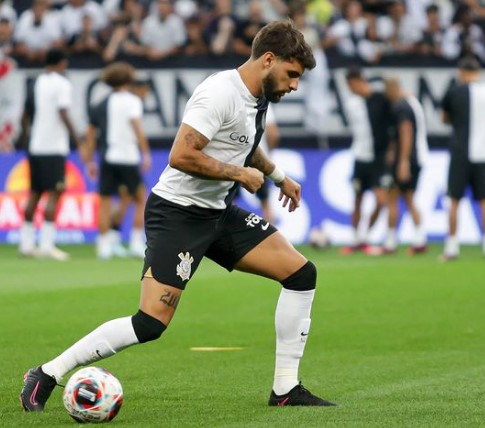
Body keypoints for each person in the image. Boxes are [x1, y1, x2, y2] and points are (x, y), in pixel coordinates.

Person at [20, 20, 335, 410]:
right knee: (149, 324)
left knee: (301, 274)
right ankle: (48, 372)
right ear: (268, 60)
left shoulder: (259, 95)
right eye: (292, 74)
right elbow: (181, 155)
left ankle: (286, 389)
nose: (294, 85)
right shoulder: (218, 92)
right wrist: (240, 174)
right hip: (178, 215)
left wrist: (278, 176)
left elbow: (243, 143)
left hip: (217, 213)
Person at [440, 56, 485, 261]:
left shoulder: (453, 92)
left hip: (459, 153)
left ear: (461, 72)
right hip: (483, 153)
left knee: (454, 200)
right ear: (478, 72)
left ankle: (451, 248)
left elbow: (444, 119)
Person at [82, 62, 151, 260]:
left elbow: (90, 134)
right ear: (127, 80)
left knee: (105, 201)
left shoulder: (100, 103)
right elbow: (137, 129)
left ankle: (103, 246)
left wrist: (89, 161)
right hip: (128, 157)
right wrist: (145, 154)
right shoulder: (132, 101)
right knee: (140, 199)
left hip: (107, 157)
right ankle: (137, 242)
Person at [18, 48, 81, 261]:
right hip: (54, 147)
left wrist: (26, 137)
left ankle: (26, 244)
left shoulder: (35, 82)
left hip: (36, 146)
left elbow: (24, 116)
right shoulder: (62, 84)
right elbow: (63, 112)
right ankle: (46, 245)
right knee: (55, 192)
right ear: (62, 63)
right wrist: (77, 139)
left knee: (35, 192)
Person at [341, 68, 392, 255]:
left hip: (378, 159)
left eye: (351, 85)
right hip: (360, 157)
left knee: (381, 200)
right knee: (358, 199)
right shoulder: (351, 103)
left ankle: (366, 235)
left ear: (359, 82)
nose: (349, 88)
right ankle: (356, 239)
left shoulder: (380, 99)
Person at [382, 77, 429, 255]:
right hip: (417, 157)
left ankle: (390, 241)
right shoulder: (411, 103)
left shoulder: (400, 107)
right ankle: (419, 238)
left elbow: (406, 132)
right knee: (408, 198)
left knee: (392, 197)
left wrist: (403, 161)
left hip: (407, 159)